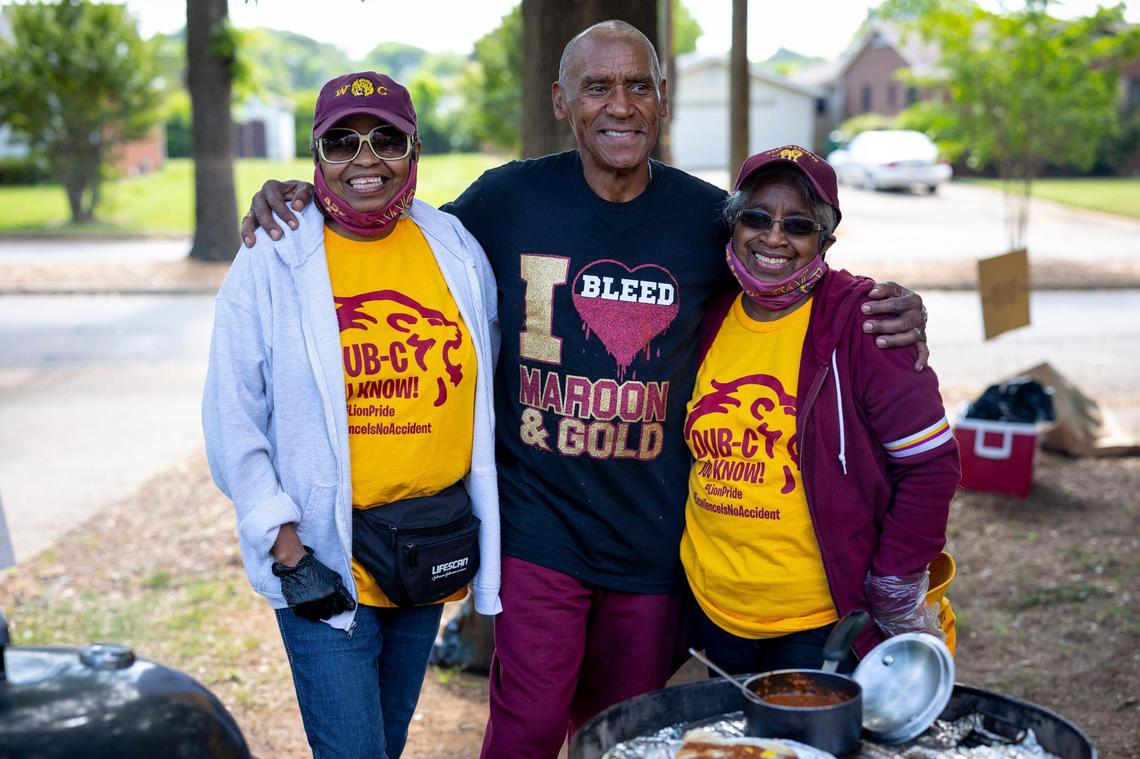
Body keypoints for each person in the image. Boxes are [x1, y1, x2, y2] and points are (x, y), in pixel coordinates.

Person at [241, 22, 929, 758]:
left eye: (639, 85)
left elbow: (787, 279)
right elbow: (393, 224)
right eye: (598, 86)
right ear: (561, 99)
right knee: (529, 725)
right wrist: (303, 197)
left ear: (663, 100)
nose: (620, 104)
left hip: (653, 533)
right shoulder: (506, 200)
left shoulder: (708, 220)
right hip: (540, 526)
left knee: (621, 732)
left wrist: (885, 308)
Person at [202, 71, 501, 759]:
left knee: (383, 743)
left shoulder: (453, 246)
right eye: (342, 140)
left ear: (414, 148)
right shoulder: (272, 256)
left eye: (385, 138)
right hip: (324, 564)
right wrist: (287, 550)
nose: (365, 158)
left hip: (425, 550)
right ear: (316, 156)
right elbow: (231, 417)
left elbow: (488, 366)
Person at [682, 145, 959, 677]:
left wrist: (896, 581)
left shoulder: (868, 321)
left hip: (820, 624)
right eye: (756, 217)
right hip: (713, 610)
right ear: (734, 224)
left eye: (799, 225)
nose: (774, 236)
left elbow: (930, 466)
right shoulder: (710, 312)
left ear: (825, 241)